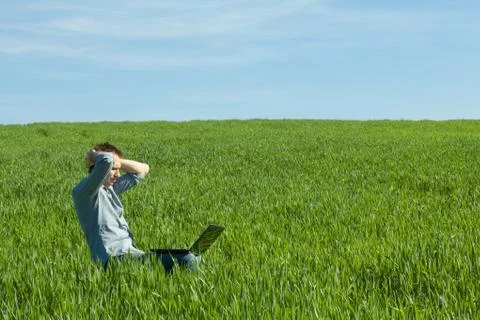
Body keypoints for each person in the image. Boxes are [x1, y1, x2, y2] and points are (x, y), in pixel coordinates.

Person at [72, 142, 200, 274]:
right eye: (114, 169)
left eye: (119, 169)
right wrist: (93, 155)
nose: (118, 175)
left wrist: (117, 161)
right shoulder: (85, 192)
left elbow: (142, 170)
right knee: (187, 259)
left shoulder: (110, 189)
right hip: (113, 259)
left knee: (195, 256)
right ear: (98, 167)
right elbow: (106, 160)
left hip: (132, 254)